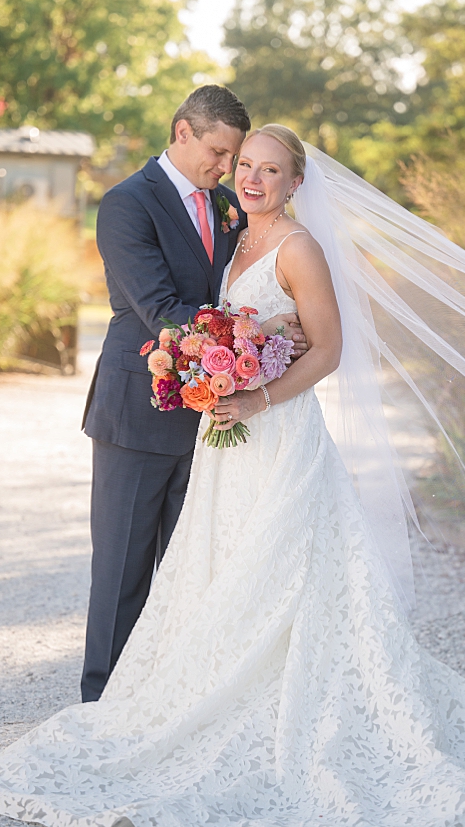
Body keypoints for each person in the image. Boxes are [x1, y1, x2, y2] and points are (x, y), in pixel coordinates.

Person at [0, 126, 465, 827]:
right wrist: (243, 347)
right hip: (224, 446)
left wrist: (259, 397)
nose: (251, 178)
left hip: (277, 437)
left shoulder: (299, 248)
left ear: (295, 181)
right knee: (219, 571)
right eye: (245, 165)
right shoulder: (233, 236)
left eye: (269, 170)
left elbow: (331, 348)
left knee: (289, 579)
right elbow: (228, 320)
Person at [79, 85, 304, 703]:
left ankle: (171, 703)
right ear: (182, 132)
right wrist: (260, 334)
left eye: (233, 157)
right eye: (217, 151)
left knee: (192, 575)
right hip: (137, 412)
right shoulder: (127, 204)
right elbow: (160, 311)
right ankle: (102, 705)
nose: (226, 167)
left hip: (214, 421)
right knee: (123, 571)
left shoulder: (230, 206)